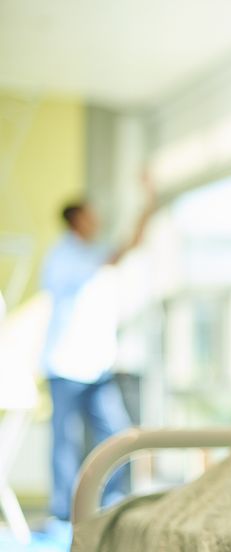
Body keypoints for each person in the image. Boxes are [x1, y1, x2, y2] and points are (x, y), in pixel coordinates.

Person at [41, 179, 156, 522]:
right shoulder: (62, 257)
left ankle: (110, 505)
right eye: (91, 216)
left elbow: (129, 246)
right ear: (76, 220)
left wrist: (148, 204)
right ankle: (63, 516)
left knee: (116, 435)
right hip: (65, 366)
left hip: (97, 367)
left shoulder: (92, 253)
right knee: (65, 444)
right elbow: (119, 252)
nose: (97, 220)